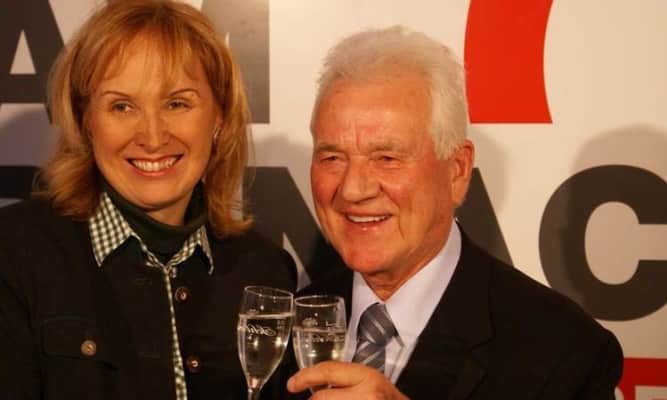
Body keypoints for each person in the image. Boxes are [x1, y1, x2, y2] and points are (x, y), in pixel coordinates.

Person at [286, 26, 623, 399]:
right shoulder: (282, 325)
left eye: (386, 158)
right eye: (332, 158)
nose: (353, 189)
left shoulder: (565, 351)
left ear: (457, 171)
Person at [0, 1, 296, 399]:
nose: (153, 137)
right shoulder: (13, 255)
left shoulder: (265, 271)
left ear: (220, 116)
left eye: (177, 103)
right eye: (122, 106)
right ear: (86, 120)